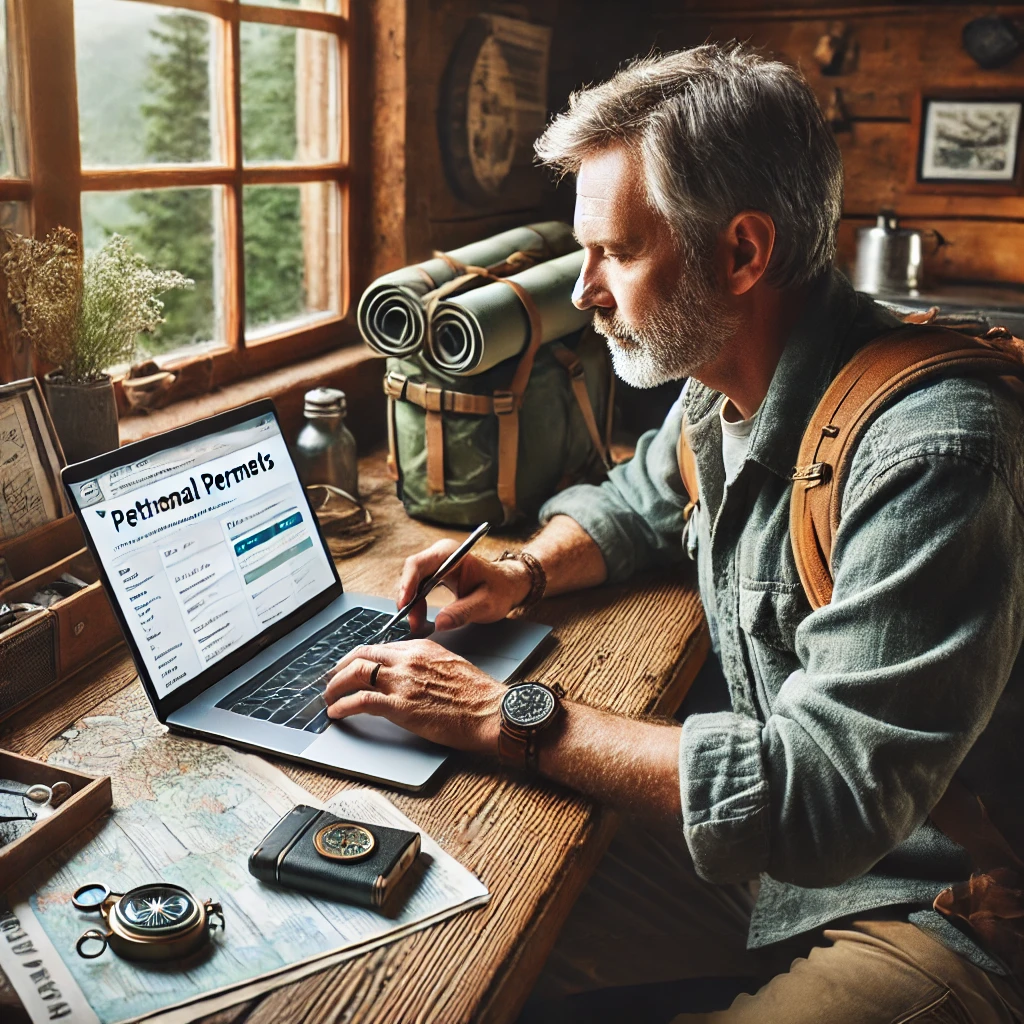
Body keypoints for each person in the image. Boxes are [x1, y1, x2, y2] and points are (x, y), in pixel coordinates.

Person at [325, 44, 1024, 1022]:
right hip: (779, 874)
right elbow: (642, 499)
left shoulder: (934, 449)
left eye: (615, 251)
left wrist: (507, 714)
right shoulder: (719, 386)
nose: (584, 291)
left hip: (942, 907)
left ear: (741, 253)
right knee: (439, 947)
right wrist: (521, 569)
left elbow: (826, 797)